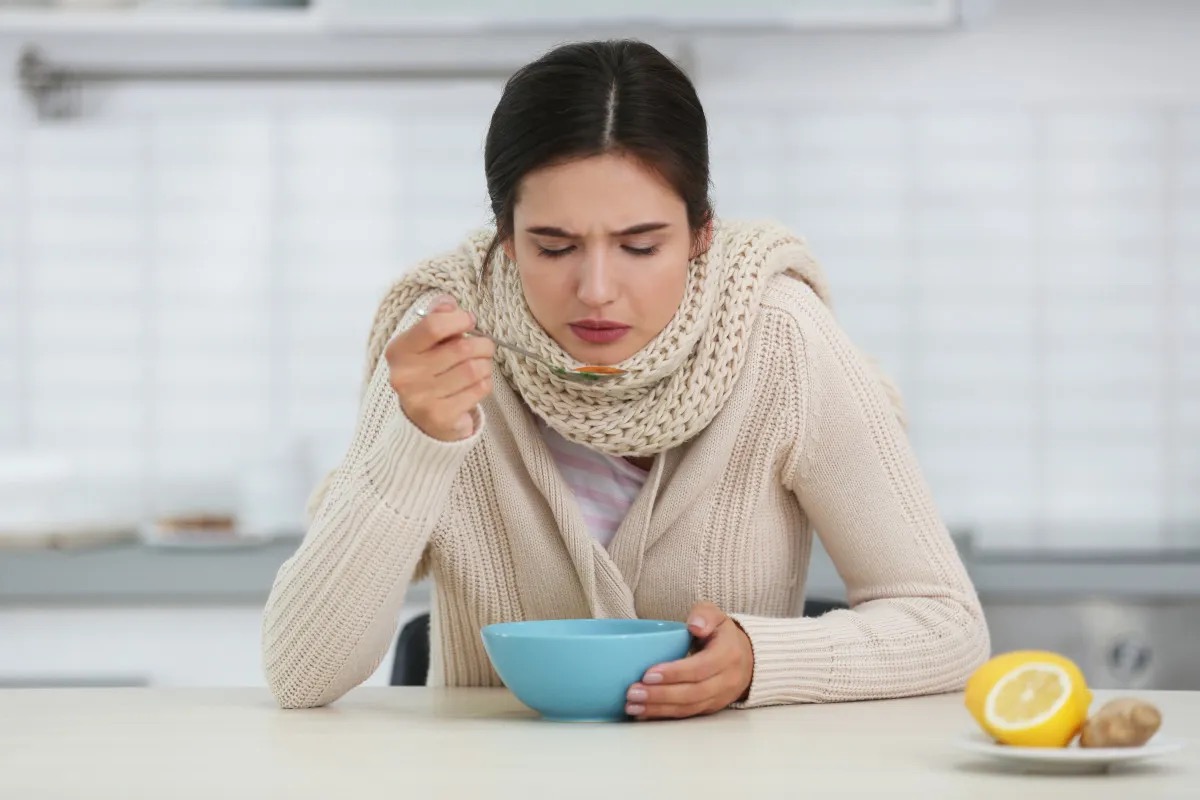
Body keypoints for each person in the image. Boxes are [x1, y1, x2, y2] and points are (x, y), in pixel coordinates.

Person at [261, 39, 990, 718]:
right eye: (554, 247)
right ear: (506, 241)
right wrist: (416, 441)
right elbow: (302, 672)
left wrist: (762, 661)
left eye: (641, 246)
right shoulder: (443, 344)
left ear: (702, 232)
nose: (597, 289)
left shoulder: (781, 338)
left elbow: (945, 622)